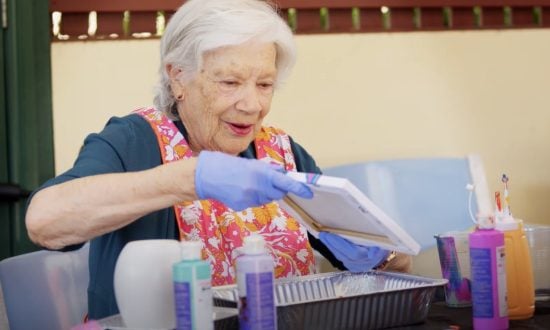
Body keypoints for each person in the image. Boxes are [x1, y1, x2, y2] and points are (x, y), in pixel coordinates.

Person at [25, 0, 411, 320]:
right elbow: (44, 222)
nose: (253, 105)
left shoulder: (282, 152)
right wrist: (188, 178)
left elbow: (393, 268)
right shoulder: (132, 140)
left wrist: (383, 256)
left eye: (265, 84)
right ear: (177, 77)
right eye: (229, 82)